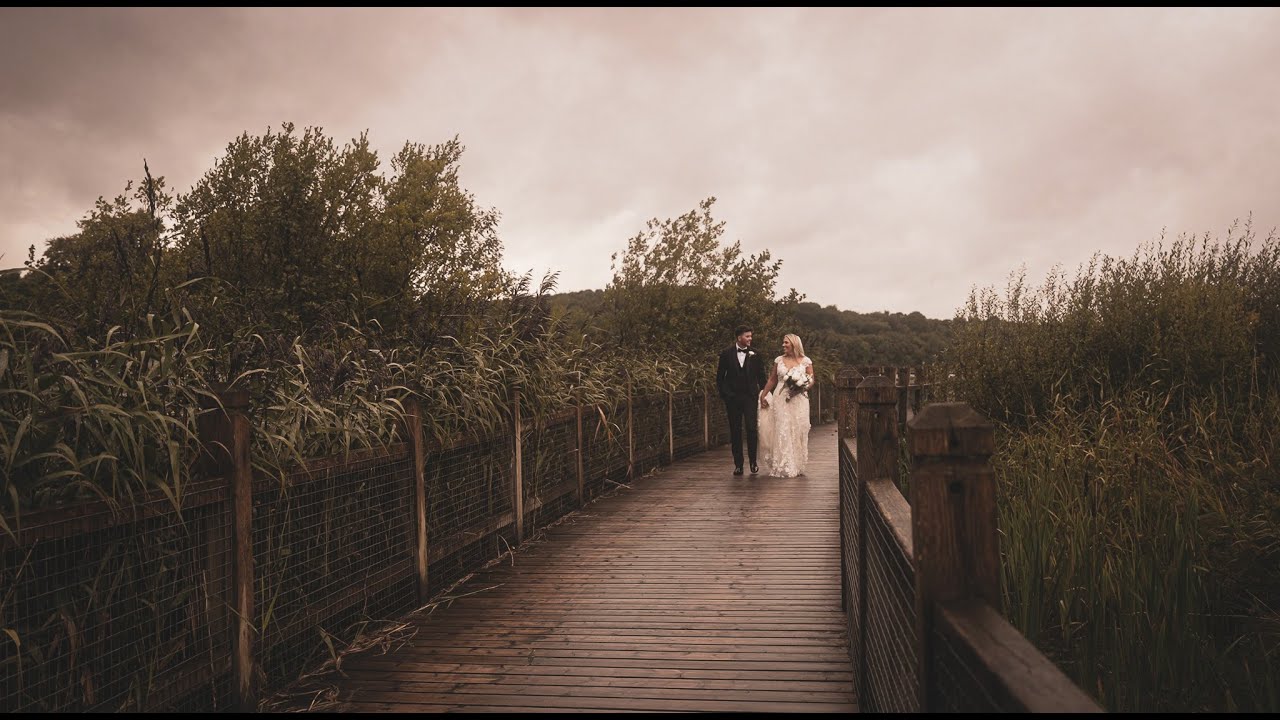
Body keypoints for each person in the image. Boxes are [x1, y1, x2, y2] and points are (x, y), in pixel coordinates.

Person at [756, 333, 813, 477]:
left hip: (799, 400)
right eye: (783, 342)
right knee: (782, 428)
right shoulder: (779, 360)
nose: (783, 345)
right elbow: (772, 379)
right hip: (780, 399)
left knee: (798, 429)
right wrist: (764, 394)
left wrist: (801, 387)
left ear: (794, 344)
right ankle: (784, 464)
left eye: (786, 342)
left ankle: (797, 464)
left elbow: (811, 380)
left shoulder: (806, 361)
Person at [716, 325, 767, 475]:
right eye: (747, 336)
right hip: (732, 399)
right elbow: (720, 377)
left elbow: (761, 376)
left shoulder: (756, 354)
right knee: (735, 430)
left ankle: (753, 462)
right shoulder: (726, 354)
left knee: (751, 429)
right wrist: (726, 395)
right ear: (739, 337)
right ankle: (738, 464)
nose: (750, 338)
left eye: (751, 336)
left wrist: (764, 394)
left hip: (750, 397)